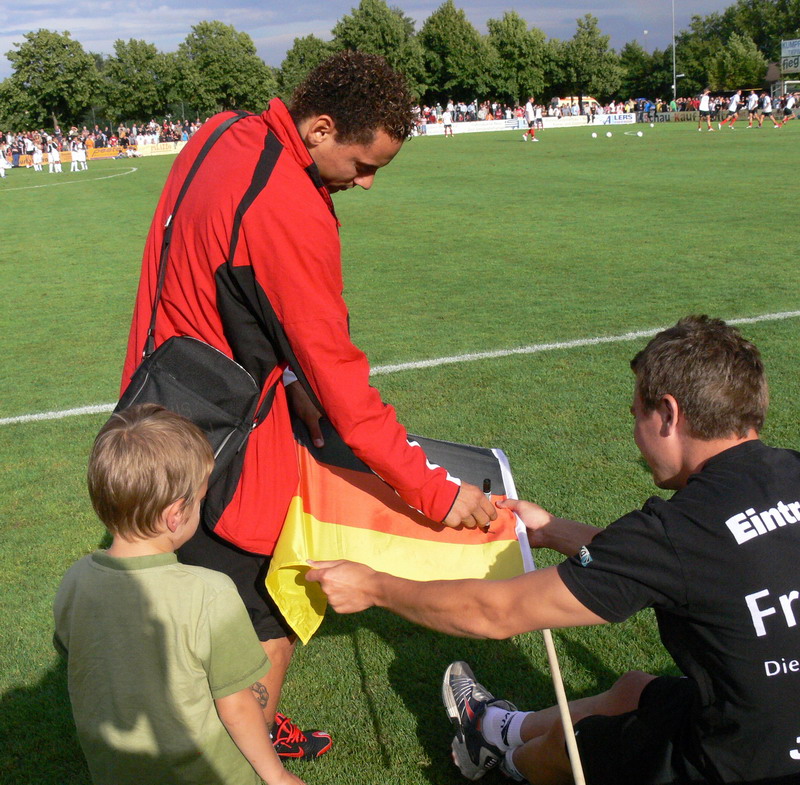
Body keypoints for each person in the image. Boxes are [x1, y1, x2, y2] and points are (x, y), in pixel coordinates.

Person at [121, 51, 496, 760]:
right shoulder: (289, 210)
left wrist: (287, 376)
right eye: (363, 164)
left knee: (197, 607)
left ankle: (229, 737)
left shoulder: (222, 131)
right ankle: (239, 748)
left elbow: (225, 287)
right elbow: (345, 391)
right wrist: (436, 493)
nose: (368, 183)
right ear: (320, 127)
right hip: (217, 445)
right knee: (264, 604)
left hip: (152, 400)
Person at [308, 315, 800, 785]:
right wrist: (551, 530)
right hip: (765, 724)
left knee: (572, 747)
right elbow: (690, 564)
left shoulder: (678, 531)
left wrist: (374, 586)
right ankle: (494, 728)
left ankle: (507, 765)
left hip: (741, 762)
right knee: (632, 691)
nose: (635, 435)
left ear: (669, 413)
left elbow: (496, 612)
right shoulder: (787, 472)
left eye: (636, 416)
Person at [53, 405, 305, 785]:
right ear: (175, 516)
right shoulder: (209, 592)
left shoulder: (75, 580)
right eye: (201, 501)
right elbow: (237, 705)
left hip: (115, 769)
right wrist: (277, 775)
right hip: (206, 772)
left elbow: (79, 659)